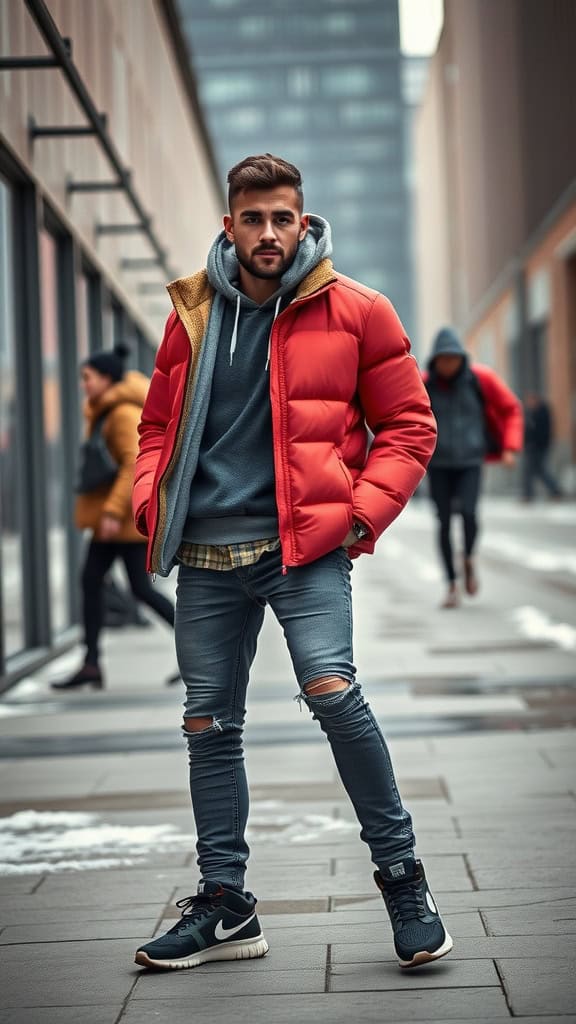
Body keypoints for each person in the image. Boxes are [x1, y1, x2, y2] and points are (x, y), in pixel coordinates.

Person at [132, 154, 452, 973]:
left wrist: (357, 514)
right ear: (228, 224)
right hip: (205, 550)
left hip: (302, 546)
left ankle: (403, 877)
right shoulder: (192, 311)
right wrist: (150, 501)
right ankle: (226, 904)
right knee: (208, 723)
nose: (269, 234)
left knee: (333, 692)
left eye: (284, 219)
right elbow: (157, 426)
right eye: (254, 219)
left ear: (303, 223)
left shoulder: (356, 310)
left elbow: (411, 426)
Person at [52, 346, 175, 691]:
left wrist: (110, 511)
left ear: (106, 379)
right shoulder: (105, 410)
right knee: (94, 582)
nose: (84, 385)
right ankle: (91, 662)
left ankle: (199, 651)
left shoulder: (119, 414)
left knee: (134, 589)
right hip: (114, 524)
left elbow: (131, 465)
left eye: (87, 378)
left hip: (119, 524)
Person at [423, 327, 523, 608]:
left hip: (470, 460)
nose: (448, 364)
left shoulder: (481, 379)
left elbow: (510, 408)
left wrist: (510, 447)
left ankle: (467, 557)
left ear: (461, 358)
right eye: (443, 359)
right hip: (439, 463)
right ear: (435, 360)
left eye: (453, 358)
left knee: (468, 513)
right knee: (443, 523)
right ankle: (452, 585)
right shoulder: (424, 384)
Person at [522, 392, 562, 501]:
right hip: (532, 446)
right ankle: (555, 490)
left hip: (539, 447)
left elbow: (542, 431)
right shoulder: (531, 412)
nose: (528, 404)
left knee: (532, 470)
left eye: (530, 401)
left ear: (535, 400)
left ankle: (528, 495)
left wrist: (534, 442)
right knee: (537, 470)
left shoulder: (542, 413)